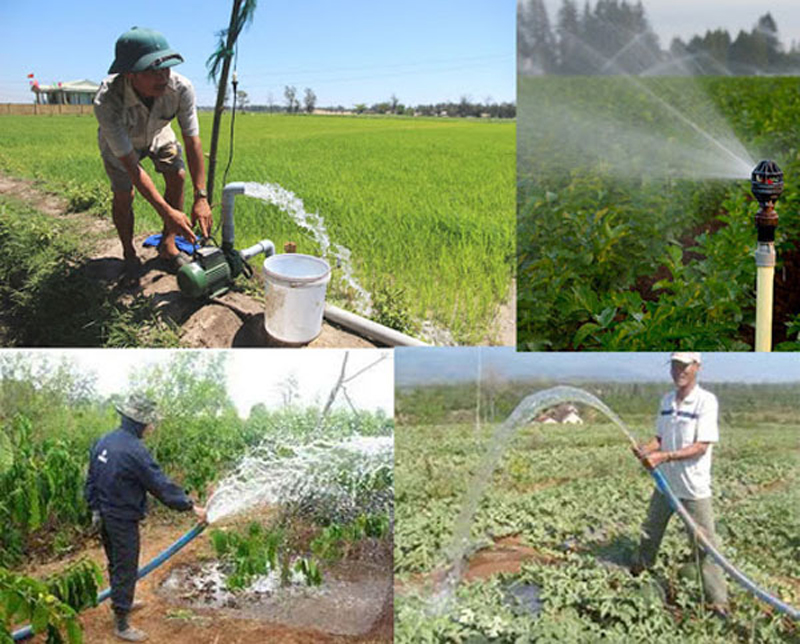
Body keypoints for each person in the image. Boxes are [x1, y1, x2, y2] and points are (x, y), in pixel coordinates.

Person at [94, 26, 213, 281]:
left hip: (159, 132)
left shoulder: (180, 88)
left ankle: (168, 245)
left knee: (177, 175)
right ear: (129, 74)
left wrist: (201, 196)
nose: (162, 77)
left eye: (165, 68)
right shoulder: (108, 102)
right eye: (151, 71)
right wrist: (166, 211)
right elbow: (131, 166)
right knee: (125, 195)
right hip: (121, 144)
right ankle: (128, 253)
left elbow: (192, 142)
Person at [85, 394, 207, 642]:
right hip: (121, 519)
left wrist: (95, 509)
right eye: (151, 423)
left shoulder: (105, 440)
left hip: (105, 516)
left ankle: (123, 601)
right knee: (126, 567)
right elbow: (161, 486)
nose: (153, 427)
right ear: (140, 423)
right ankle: (121, 623)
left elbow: (90, 479)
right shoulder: (135, 451)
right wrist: (191, 506)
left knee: (116, 563)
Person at [630, 351, 728, 617]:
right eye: (675, 365)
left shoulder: (706, 402)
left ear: (697, 367)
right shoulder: (666, 400)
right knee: (650, 531)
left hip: (693, 490)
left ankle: (718, 602)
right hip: (666, 486)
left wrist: (663, 457)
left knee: (704, 546)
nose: (679, 371)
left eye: (685, 366)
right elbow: (660, 438)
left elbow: (700, 446)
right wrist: (645, 449)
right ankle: (638, 575)